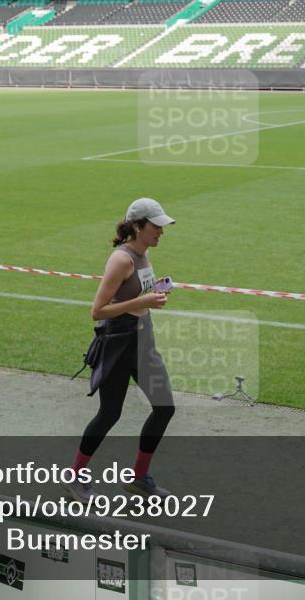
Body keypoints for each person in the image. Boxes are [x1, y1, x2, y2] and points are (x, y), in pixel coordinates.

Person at [64, 198, 177, 502]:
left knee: (165, 407)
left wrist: (153, 292)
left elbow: (136, 294)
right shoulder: (122, 259)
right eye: (156, 226)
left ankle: (139, 478)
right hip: (119, 345)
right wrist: (142, 301)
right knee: (109, 413)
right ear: (138, 227)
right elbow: (98, 310)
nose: (161, 232)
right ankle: (74, 476)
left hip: (143, 342)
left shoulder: (144, 254)